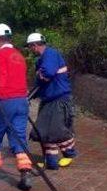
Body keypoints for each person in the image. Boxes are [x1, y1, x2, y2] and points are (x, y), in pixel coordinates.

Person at [0, 23, 33, 191]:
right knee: (19, 137)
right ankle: (25, 173)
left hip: (5, 101)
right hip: (22, 101)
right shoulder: (18, 55)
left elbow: (1, 76)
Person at [26, 32, 77, 170]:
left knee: (56, 131)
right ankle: (51, 161)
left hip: (58, 100)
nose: (30, 50)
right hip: (49, 100)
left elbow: (47, 74)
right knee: (45, 131)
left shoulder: (50, 55)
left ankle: (69, 154)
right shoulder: (41, 59)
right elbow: (41, 84)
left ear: (35, 45)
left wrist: (38, 74)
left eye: (30, 47)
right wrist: (30, 95)